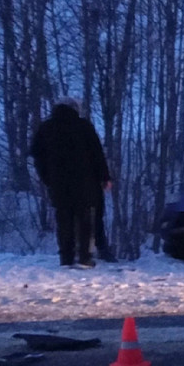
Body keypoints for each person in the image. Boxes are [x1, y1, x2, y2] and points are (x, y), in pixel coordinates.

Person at [30, 97, 111, 268]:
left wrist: (47, 178)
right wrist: (104, 177)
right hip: (85, 183)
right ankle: (84, 257)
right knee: (84, 220)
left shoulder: (46, 128)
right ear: (75, 109)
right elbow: (97, 154)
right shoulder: (84, 127)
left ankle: (66, 257)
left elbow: (37, 156)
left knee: (64, 220)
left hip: (59, 184)